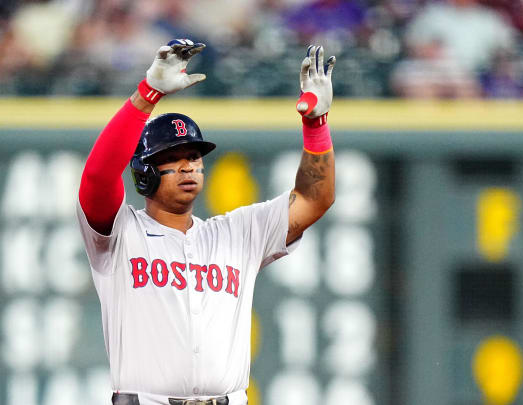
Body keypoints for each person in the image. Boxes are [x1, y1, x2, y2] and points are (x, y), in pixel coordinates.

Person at [76, 38, 336, 405]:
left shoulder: (238, 233)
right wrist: (146, 94)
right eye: (173, 157)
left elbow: (314, 198)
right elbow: (97, 180)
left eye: (194, 156)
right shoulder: (119, 234)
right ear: (144, 173)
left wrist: (316, 124)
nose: (188, 166)